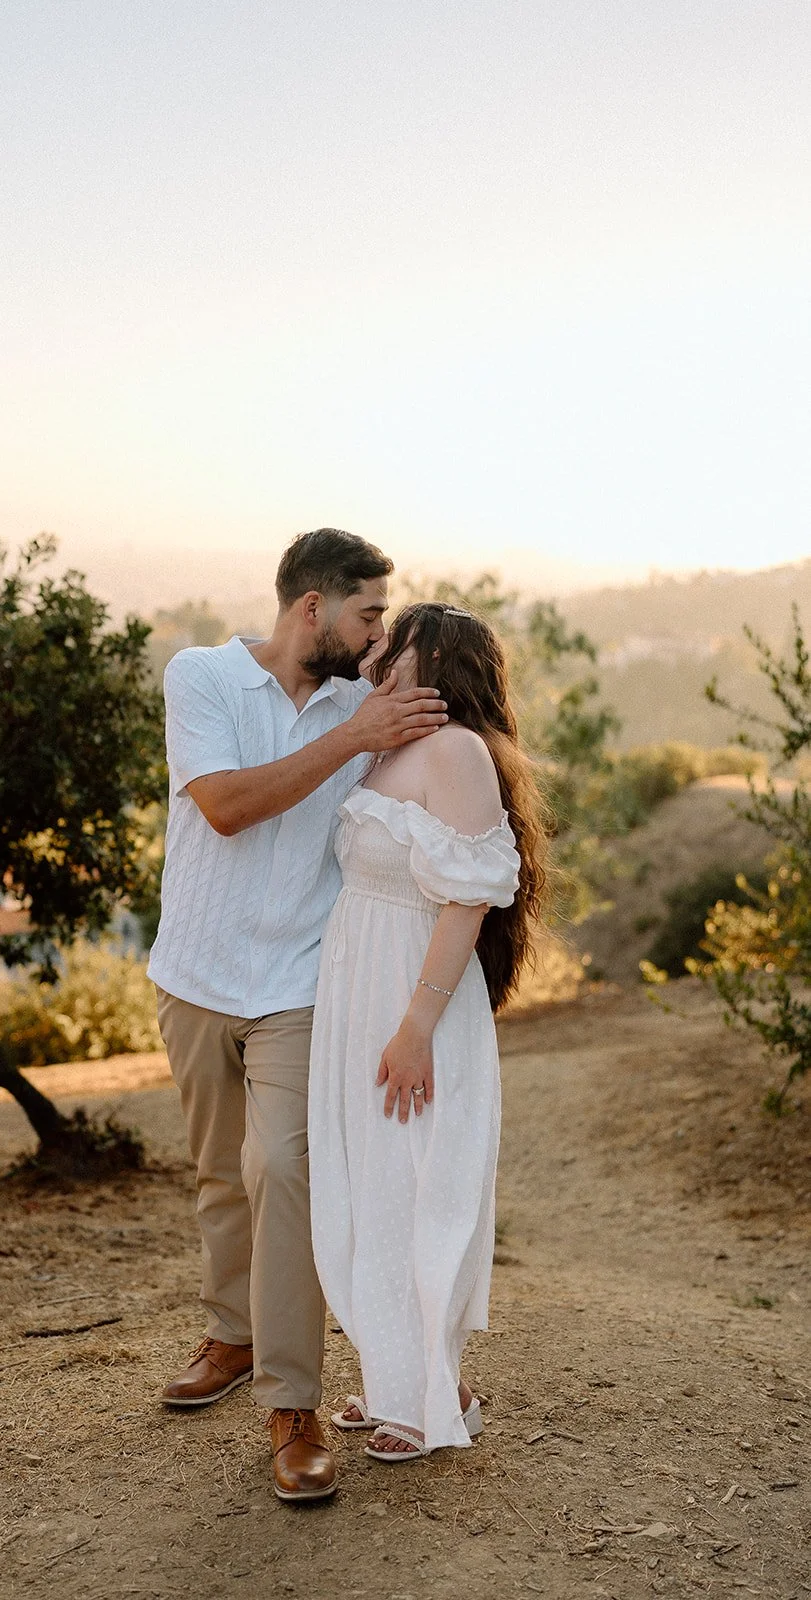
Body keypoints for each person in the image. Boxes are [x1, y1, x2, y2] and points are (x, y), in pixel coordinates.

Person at [148, 530, 450, 1503]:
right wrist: (354, 738)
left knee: (281, 1166)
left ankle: (291, 1403)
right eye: (366, 614)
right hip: (194, 972)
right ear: (310, 608)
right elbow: (227, 806)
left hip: (298, 981)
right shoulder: (200, 678)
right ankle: (230, 1335)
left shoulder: (368, 709)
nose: (375, 637)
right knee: (217, 1174)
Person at [308, 602, 547, 1462]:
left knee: (417, 1189)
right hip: (357, 993)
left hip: (417, 999)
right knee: (371, 1188)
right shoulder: (386, 746)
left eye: (393, 641)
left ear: (431, 658)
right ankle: (397, 1378)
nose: (378, 651)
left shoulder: (455, 753)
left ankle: (432, 1397)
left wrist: (415, 1026)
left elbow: (468, 899)